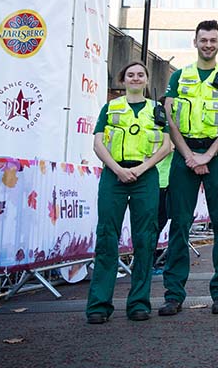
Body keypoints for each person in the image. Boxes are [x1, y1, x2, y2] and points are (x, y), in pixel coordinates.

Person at [159, 20, 218, 316]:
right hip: (185, 154)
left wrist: (208, 156)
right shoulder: (180, 76)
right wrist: (190, 156)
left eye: (213, 40)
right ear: (195, 42)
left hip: (217, 154)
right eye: (203, 39)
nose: (208, 44)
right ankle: (173, 294)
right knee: (179, 224)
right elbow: (170, 119)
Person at [86, 61, 172, 323]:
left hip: (145, 177)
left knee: (145, 239)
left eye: (140, 75)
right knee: (106, 237)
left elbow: (167, 145)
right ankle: (99, 305)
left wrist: (144, 168)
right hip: (114, 175)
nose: (135, 78)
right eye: (130, 75)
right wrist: (117, 169)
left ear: (146, 80)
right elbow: (98, 143)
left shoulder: (157, 110)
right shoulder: (111, 107)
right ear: (123, 80)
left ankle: (138, 303)